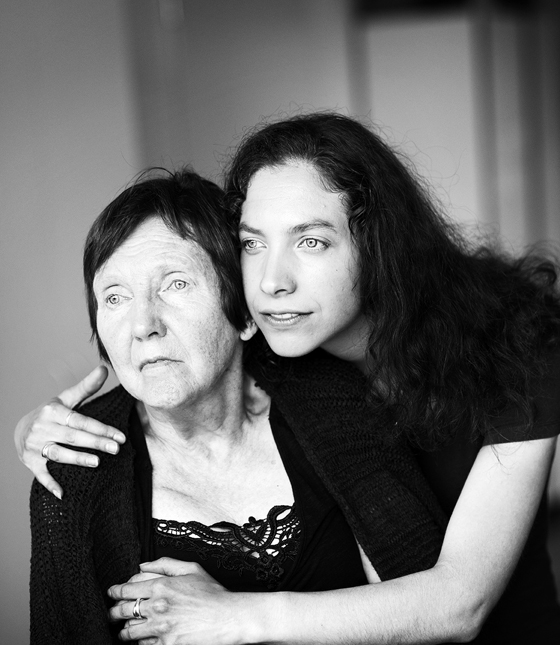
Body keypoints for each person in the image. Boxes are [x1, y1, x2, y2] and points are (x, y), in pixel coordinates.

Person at [18, 112, 560, 643]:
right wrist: (32, 428)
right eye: (253, 244)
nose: (272, 282)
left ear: (378, 244)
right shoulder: (283, 348)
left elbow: (460, 604)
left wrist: (235, 617)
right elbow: (185, 361)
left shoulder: (517, 348)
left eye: (310, 241)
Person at [27, 167, 445, 645]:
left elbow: (428, 616)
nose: (143, 325)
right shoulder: (74, 469)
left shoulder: (336, 401)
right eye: (115, 297)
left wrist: (232, 616)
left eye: (176, 284)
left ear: (244, 313)